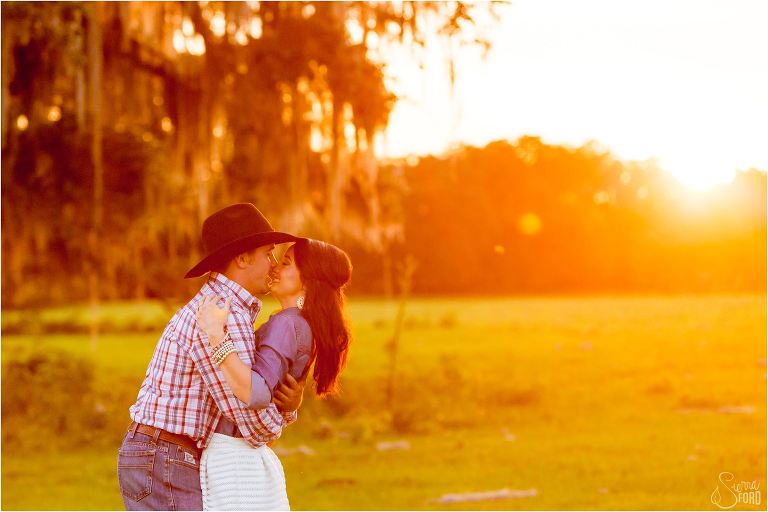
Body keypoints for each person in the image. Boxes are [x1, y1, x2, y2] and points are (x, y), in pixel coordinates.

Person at [117, 203, 306, 511]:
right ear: (243, 258)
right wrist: (286, 412)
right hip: (166, 454)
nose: (273, 264)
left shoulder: (225, 309)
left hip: (161, 453)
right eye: (268, 253)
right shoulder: (223, 313)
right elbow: (251, 421)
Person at [195, 238, 353, 510]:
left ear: (308, 279)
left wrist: (216, 336)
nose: (275, 268)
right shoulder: (302, 325)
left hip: (232, 456)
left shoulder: (287, 324)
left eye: (286, 263)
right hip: (245, 454)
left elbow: (256, 393)